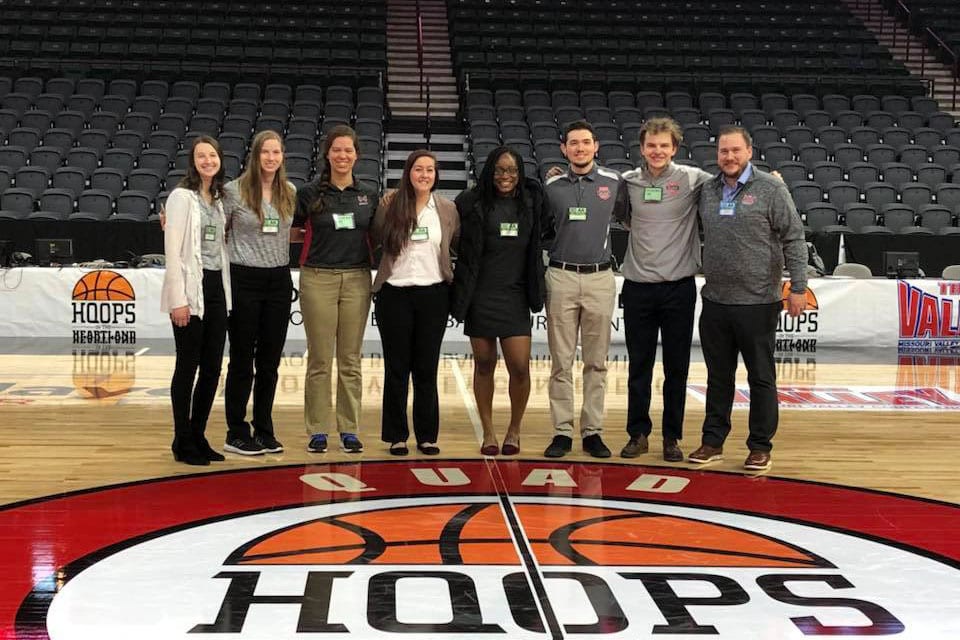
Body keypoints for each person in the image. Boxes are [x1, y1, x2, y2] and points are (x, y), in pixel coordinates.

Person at [688, 125, 808, 471]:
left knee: (760, 377)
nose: (729, 157)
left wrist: (797, 287)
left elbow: (794, 238)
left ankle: (760, 446)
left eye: (735, 151)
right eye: (724, 151)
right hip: (715, 300)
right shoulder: (707, 190)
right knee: (718, 377)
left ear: (749, 152)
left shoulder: (771, 188)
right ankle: (712, 442)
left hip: (758, 301)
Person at [618, 118, 712, 462]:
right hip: (638, 287)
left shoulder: (693, 179)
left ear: (675, 148)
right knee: (638, 367)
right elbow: (621, 217)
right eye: (651, 145)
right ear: (642, 148)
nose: (657, 151)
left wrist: (769, 180)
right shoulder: (627, 182)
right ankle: (638, 434)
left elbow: (733, 181)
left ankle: (672, 437)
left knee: (677, 368)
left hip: (679, 289)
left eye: (664, 146)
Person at [541, 121, 628, 459]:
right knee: (560, 362)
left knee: (597, 362)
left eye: (585, 143)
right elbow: (545, 228)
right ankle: (562, 432)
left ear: (596, 147)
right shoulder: (552, 187)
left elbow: (629, 217)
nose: (579, 148)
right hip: (561, 275)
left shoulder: (613, 184)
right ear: (564, 149)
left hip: (599, 278)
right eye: (573, 143)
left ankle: (592, 431)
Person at [452, 146, 546, 456]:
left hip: (516, 293)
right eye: (500, 170)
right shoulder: (470, 202)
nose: (505, 176)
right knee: (484, 364)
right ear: (490, 171)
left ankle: (514, 430)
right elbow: (452, 232)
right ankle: (489, 431)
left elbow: (550, 222)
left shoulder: (532, 201)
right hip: (480, 294)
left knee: (519, 366)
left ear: (520, 174)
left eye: (512, 171)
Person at [294, 125, 377, 454]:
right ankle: (317, 430)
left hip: (357, 278)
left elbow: (381, 235)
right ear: (327, 154)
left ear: (357, 155)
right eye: (337, 150)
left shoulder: (368, 195)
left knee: (350, 359)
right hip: (317, 278)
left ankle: (349, 429)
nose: (343, 156)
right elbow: (292, 232)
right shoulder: (308, 194)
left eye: (349, 150)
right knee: (319, 360)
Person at [372, 150, 458, 456]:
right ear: (408, 172)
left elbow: (453, 244)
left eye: (430, 170)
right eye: (418, 169)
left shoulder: (447, 209)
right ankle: (396, 435)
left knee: (426, 368)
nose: (424, 175)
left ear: (436, 175)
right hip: (394, 293)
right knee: (397, 368)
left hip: (433, 296)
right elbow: (377, 238)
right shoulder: (389, 204)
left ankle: (426, 436)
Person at [221, 130, 297, 455]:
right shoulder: (233, 191)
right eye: (265, 152)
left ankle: (264, 429)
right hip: (243, 279)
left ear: (282, 157)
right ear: (255, 155)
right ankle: (236, 431)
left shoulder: (289, 191)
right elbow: (215, 230)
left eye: (276, 152)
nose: (271, 158)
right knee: (241, 360)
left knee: (269, 362)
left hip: (278, 280)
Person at [160, 135, 231, 466]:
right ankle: (181, 439)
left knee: (213, 367)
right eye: (201, 156)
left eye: (212, 155)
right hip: (190, 290)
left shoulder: (218, 199)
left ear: (219, 160)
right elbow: (172, 252)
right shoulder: (181, 197)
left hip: (217, 287)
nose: (207, 161)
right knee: (187, 365)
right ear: (193, 161)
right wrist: (178, 299)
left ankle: (199, 435)